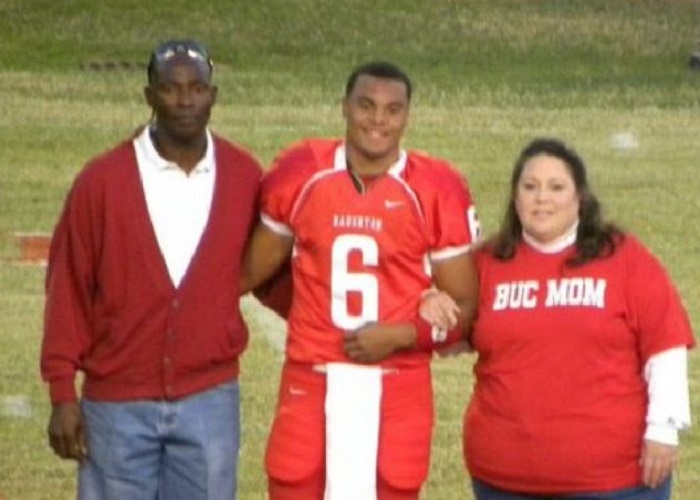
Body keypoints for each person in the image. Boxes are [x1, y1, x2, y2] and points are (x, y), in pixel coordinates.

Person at [241, 61, 481, 499]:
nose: (378, 119)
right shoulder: (302, 171)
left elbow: (466, 308)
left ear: (407, 115)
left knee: (394, 487)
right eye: (366, 105)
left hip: (398, 381)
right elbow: (251, 272)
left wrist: (403, 334)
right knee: (294, 486)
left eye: (393, 109)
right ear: (345, 108)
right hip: (311, 374)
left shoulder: (435, 187)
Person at [40, 39, 262, 500]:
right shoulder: (101, 181)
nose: (185, 100)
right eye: (171, 88)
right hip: (118, 404)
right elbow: (68, 290)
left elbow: (273, 271)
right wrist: (62, 391)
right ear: (149, 96)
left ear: (213, 96)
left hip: (209, 398)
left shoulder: (243, 175)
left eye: (197, 88)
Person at [424, 137, 694, 499]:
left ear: (579, 196)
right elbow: (448, 340)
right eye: (530, 186)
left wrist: (663, 428)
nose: (541, 198)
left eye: (556, 187)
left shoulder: (623, 257)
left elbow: (665, 346)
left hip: (614, 482)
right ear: (515, 197)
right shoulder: (487, 262)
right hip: (503, 480)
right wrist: (429, 299)